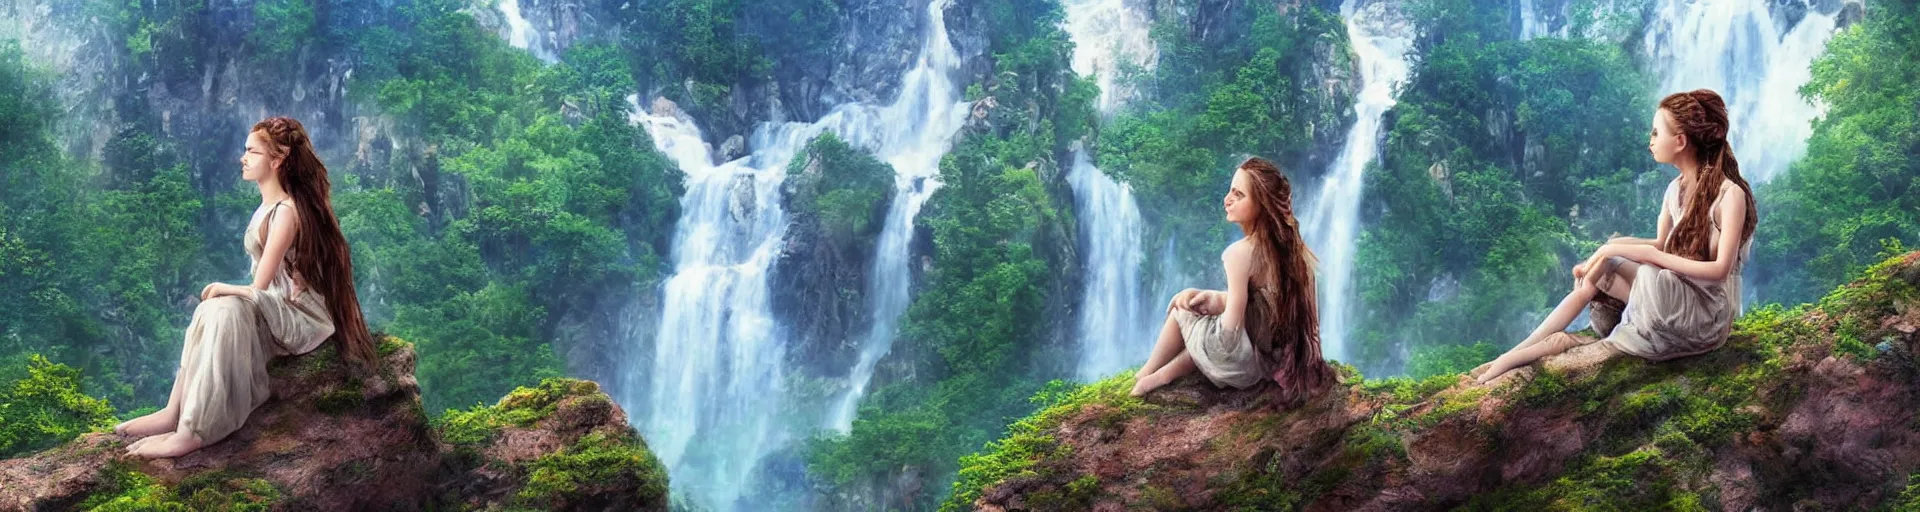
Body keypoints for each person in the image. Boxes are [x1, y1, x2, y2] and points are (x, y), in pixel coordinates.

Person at [114, 116, 377, 458]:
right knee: (211, 309)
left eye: (252, 152)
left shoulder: (285, 212)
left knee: (223, 308)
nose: (244, 158)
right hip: (275, 302)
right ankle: (175, 411)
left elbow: (261, 286)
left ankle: (196, 430)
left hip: (295, 313)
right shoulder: (266, 207)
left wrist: (226, 288)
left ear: (278, 159)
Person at [1475, 89, 1756, 385]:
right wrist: (1608, 249)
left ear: (1681, 141)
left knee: (1647, 272)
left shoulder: (1729, 195)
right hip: (1673, 294)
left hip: (1704, 316)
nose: (1650, 140)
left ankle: (1574, 347)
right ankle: (1519, 351)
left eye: (1656, 132)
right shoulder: (1675, 189)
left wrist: (1643, 256)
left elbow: (1719, 270)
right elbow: (1661, 244)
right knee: (1604, 268)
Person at [1131, 157, 1334, 407]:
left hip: (1245, 366)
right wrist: (1215, 299)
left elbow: (1229, 333)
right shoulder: (1299, 253)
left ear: (1262, 204)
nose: (1227, 199)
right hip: (1278, 360)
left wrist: (1207, 319)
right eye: (1230, 191)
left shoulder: (1238, 254)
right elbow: (1280, 310)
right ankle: (1156, 377)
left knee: (1181, 313)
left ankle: (1149, 374)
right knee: (1196, 312)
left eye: (1238, 195)